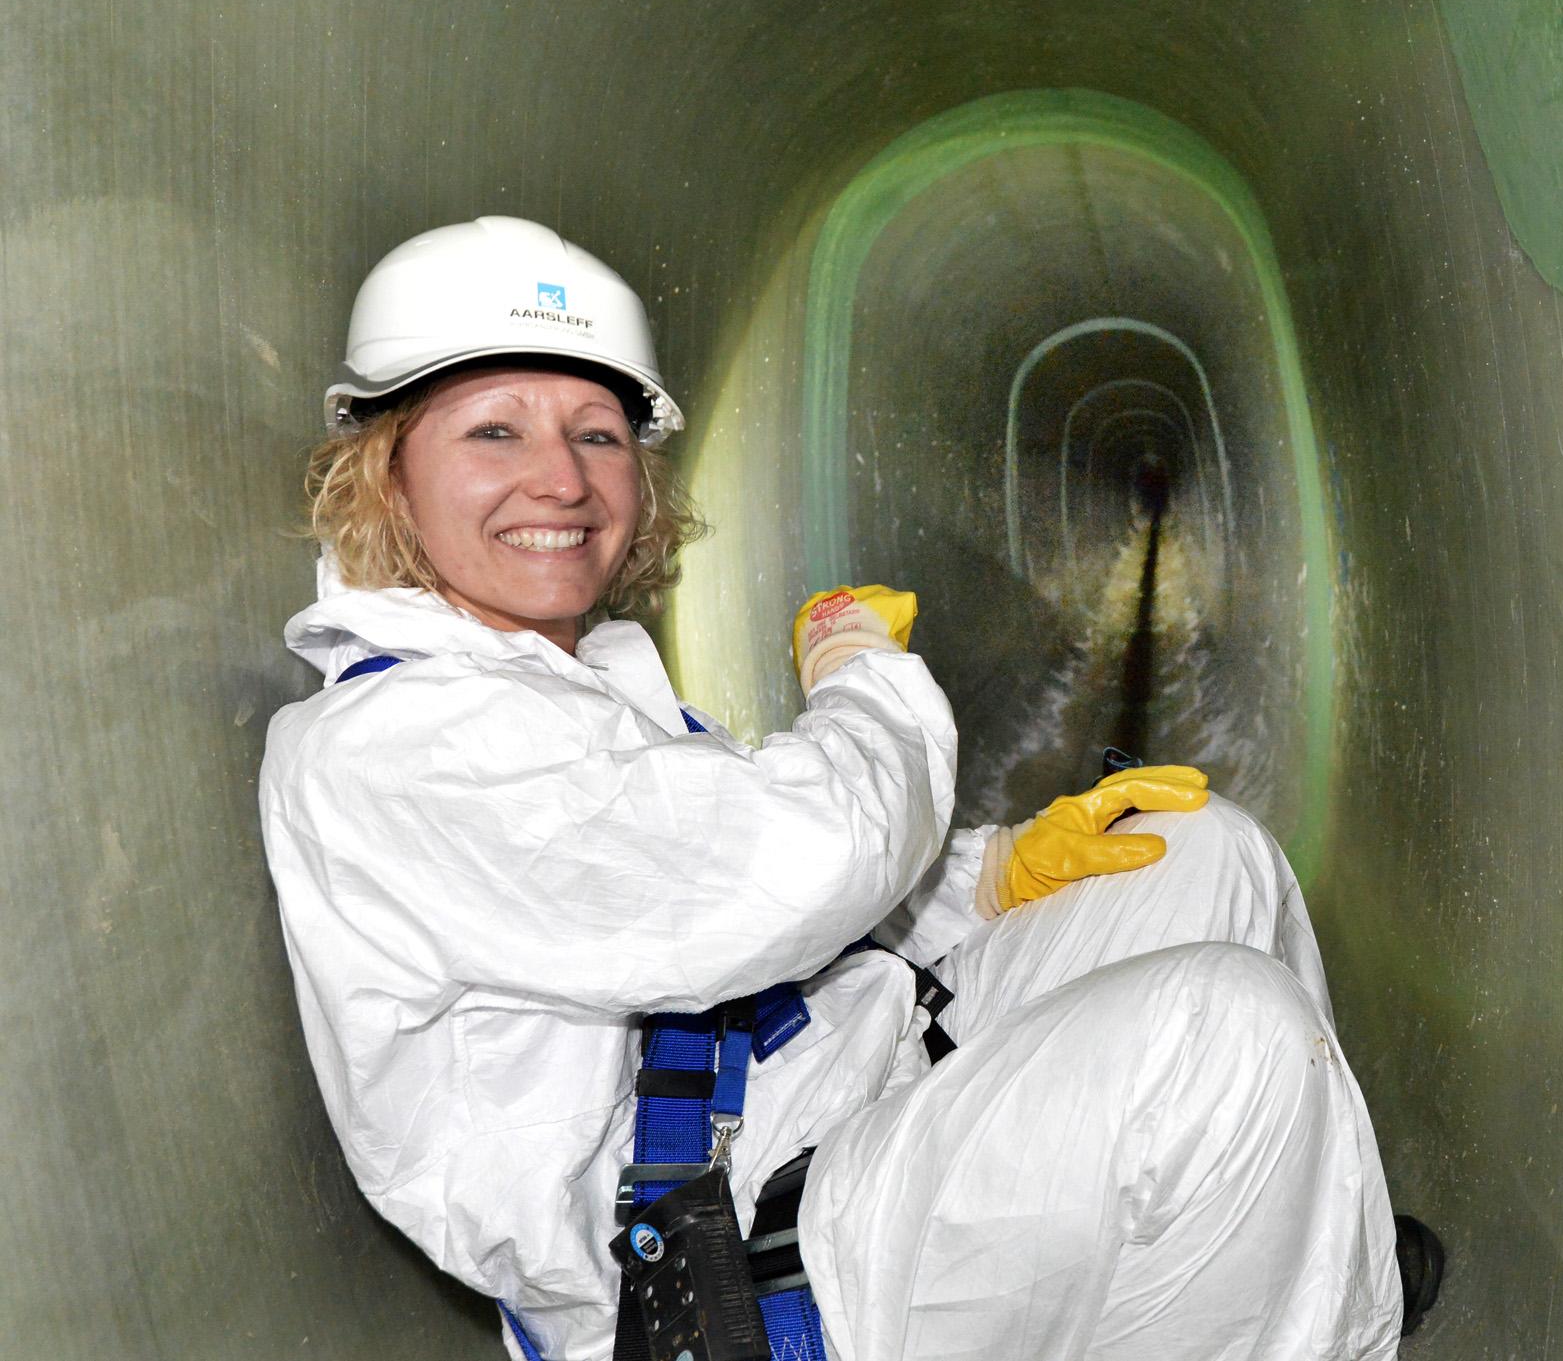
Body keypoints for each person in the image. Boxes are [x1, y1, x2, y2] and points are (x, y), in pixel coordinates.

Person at [260, 216, 1432, 1361]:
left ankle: (1269, 1256)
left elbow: (743, 902)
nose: (560, 479)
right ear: (386, 472)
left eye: (597, 435)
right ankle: (1285, 1284)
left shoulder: (573, 678)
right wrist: (858, 670)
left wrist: (987, 879)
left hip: (837, 1110)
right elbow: (803, 864)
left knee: (1204, 854)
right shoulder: (394, 746)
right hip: (720, 1275)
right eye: (494, 432)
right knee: (1227, 1037)